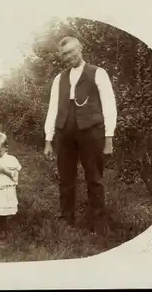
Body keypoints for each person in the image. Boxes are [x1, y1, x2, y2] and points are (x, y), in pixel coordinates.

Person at [43, 36, 117, 232]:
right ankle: (66, 218)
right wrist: (48, 139)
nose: (68, 56)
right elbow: (53, 108)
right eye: (64, 54)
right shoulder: (59, 79)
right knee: (65, 178)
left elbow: (109, 106)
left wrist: (108, 138)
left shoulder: (98, 73)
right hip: (65, 132)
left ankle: (98, 221)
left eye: (71, 51)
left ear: (80, 48)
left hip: (92, 132)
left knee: (94, 177)